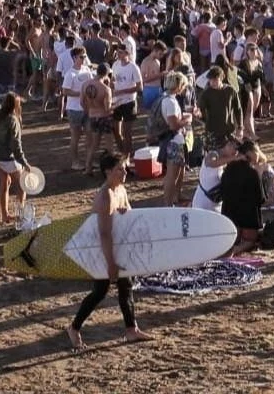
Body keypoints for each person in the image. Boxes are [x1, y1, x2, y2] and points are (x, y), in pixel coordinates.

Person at [66, 151, 149, 350]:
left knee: (126, 286)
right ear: (108, 171)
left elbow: (128, 215)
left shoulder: (120, 189)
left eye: (125, 168)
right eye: (120, 169)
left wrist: (125, 213)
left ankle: (131, 330)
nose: (125, 172)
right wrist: (110, 263)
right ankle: (74, 328)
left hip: (118, 245)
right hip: (101, 250)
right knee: (100, 292)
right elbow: (103, 233)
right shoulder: (105, 197)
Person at [155, 72, 195, 207]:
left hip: (175, 140)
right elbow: (173, 125)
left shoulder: (166, 99)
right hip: (174, 141)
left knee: (179, 171)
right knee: (172, 175)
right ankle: (168, 203)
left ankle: (176, 197)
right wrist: (187, 120)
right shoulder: (170, 102)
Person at [219, 139, 265, 255]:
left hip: (229, 215)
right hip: (248, 218)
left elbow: (222, 192)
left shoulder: (227, 169)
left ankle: (233, 246)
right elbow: (260, 198)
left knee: (235, 237)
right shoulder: (252, 172)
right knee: (250, 240)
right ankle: (236, 250)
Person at [0, 93, 31, 225]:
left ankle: (5, 215)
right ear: (15, 106)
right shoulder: (13, 120)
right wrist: (25, 163)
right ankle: (21, 216)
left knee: (5, 184)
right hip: (10, 159)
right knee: (21, 186)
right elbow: (16, 145)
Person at [192, 136, 241, 212]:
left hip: (216, 205)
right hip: (202, 203)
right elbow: (211, 163)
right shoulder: (213, 154)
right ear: (228, 145)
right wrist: (234, 158)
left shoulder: (228, 162)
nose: (235, 153)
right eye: (234, 149)